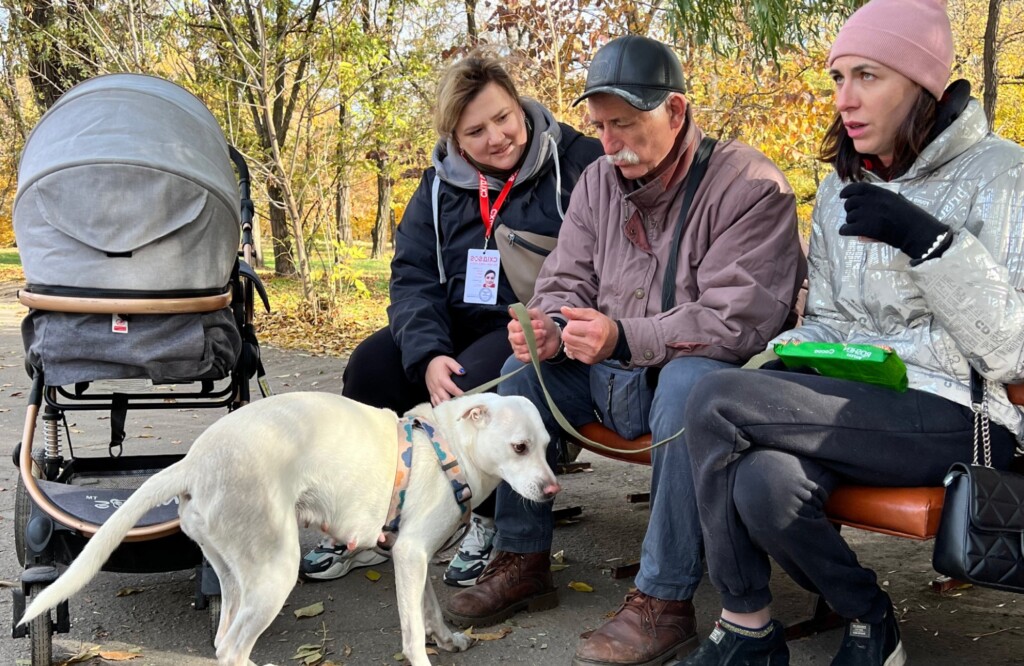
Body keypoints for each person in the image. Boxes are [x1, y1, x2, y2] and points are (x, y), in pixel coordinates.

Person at [444, 35, 807, 666]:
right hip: (613, 381)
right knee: (518, 375)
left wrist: (621, 335)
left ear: (677, 110)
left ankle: (665, 600)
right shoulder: (596, 182)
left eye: (627, 125)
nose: (611, 145)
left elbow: (738, 318)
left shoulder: (750, 183)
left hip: (706, 397)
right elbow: (564, 279)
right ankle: (523, 557)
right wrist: (550, 326)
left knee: (689, 384)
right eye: (601, 127)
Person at [680, 1, 1024, 664]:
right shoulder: (842, 186)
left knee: (714, 398)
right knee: (764, 483)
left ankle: (746, 627)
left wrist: (929, 243)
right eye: (838, 78)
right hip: (862, 401)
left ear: (921, 82)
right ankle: (870, 619)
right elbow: (833, 320)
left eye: (867, 75)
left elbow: (1009, 351)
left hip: (958, 413)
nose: (846, 98)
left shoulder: (1004, 175)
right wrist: (801, 356)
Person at [300, 49, 603, 584]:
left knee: (477, 381)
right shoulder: (438, 187)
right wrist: (427, 353)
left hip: (532, 325)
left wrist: (555, 324)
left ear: (520, 105)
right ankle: (367, 516)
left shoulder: (578, 162)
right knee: (370, 367)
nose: (497, 138)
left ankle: (483, 518)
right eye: (476, 131)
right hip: (452, 324)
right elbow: (413, 276)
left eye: (503, 117)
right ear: (455, 140)